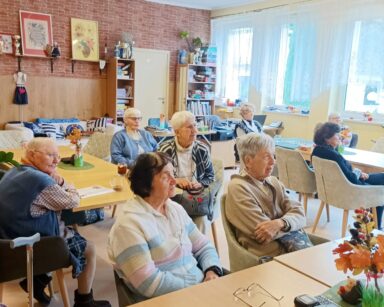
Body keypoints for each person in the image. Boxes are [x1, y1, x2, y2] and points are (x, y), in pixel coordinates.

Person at [0, 138, 110, 307]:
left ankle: (39, 280)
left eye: (58, 155)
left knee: (57, 219)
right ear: (31, 154)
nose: (56, 160)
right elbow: (73, 201)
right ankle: (84, 302)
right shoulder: (42, 182)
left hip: (8, 238)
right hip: (29, 246)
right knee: (89, 248)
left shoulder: (14, 171)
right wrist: (65, 183)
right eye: (50, 155)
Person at [108, 152, 222, 303]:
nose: (174, 181)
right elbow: (148, 282)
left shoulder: (175, 209)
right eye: (166, 176)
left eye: (173, 174)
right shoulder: (128, 225)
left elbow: (204, 246)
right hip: (164, 299)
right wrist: (195, 287)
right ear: (145, 183)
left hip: (197, 290)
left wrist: (211, 271)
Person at [226, 133, 311, 258]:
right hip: (268, 257)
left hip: (293, 251)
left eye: (273, 155)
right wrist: (292, 223)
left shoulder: (274, 182)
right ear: (248, 161)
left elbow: (301, 214)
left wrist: (281, 223)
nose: (273, 162)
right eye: (266, 157)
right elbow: (263, 233)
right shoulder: (238, 187)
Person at [312, 122, 384, 228]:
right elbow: (351, 179)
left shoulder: (317, 151)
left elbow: (343, 173)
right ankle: (375, 226)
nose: (339, 137)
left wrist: (359, 173)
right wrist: (358, 173)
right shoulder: (334, 156)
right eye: (337, 134)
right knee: (381, 184)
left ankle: (371, 224)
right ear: (327, 138)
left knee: (379, 178)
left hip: (333, 189)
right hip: (351, 188)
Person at [158, 111, 216, 234]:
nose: (195, 130)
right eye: (190, 127)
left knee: (202, 220)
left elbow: (210, 176)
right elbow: (157, 177)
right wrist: (176, 181)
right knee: (171, 220)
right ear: (177, 132)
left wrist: (200, 183)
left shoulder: (202, 149)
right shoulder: (164, 149)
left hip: (194, 198)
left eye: (195, 125)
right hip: (172, 197)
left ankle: (198, 251)